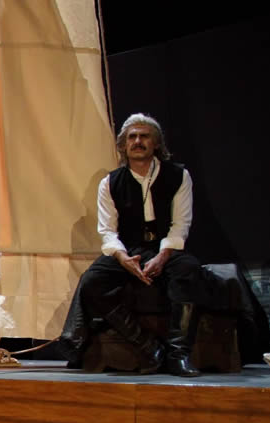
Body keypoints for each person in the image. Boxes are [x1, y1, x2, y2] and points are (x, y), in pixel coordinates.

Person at [59, 113, 204, 376]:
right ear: (123, 145)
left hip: (165, 248)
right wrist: (122, 258)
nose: (138, 141)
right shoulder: (110, 182)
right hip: (129, 249)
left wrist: (163, 256)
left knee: (188, 271)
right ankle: (149, 347)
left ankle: (178, 354)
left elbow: (181, 223)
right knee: (92, 281)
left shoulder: (178, 176)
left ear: (156, 143)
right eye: (132, 137)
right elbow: (107, 230)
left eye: (144, 136)